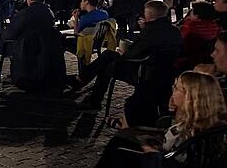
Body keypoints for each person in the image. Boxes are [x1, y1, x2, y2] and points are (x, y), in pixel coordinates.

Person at [70, 1, 182, 127]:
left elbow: (132, 53)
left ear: (149, 14)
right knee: (107, 55)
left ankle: (92, 96)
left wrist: (124, 50)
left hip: (143, 70)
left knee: (107, 66)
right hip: (162, 69)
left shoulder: (150, 31)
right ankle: (83, 82)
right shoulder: (174, 30)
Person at [95, 70, 227, 167]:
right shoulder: (210, 123)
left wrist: (152, 152)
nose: (172, 90)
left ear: (190, 98)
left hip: (161, 160)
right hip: (165, 152)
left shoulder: (188, 133)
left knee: (116, 150)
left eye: (177, 88)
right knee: (122, 137)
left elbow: (172, 158)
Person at [0, 0, 57, 84]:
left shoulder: (25, 13)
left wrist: (1, 36)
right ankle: (14, 72)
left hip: (23, 47)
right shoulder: (49, 13)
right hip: (42, 46)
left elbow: (11, 33)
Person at [177, 2, 221, 70]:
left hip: (188, 59)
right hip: (209, 59)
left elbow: (180, 43)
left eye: (191, 11)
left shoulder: (189, 26)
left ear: (196, 16)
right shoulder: (217, 26)